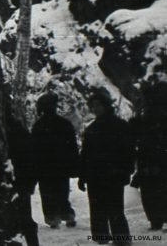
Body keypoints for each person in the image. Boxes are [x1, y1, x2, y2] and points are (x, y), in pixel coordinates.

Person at [78, 89, 135, 245]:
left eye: (98, 105)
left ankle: (122, 240)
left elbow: (128, 151)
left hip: (113, 175)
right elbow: (85, 155)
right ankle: (101, 239)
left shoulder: (120, 126)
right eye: (93, 106)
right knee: (97, 210)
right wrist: (82, 177)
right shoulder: (91, 129)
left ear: (106, 105)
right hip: (94, 176)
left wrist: (125, 171)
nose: (95, 109)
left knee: (115, 210)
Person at [31, 92, 79, 228]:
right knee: (62, 192)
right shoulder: (64, 124)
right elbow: (72, 147)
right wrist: (74, 165)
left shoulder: (38, 126)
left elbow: (34, 150)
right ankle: (67, 215)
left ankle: (53, 218)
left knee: (47, 194)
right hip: (61, 167)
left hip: (45, 169)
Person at [130, 82, 167, 231]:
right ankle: (157, 219)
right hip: (156, 158)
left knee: (150, 192)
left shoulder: (144, 118)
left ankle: (155, 220)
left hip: (148, 159)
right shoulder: (150, 117)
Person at [5, 114, 39, 246]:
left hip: (19, 182)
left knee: (23, 219)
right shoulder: (20, 132)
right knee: (24, 218)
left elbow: (31, 161)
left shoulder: (16, 134)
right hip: (21, 182)